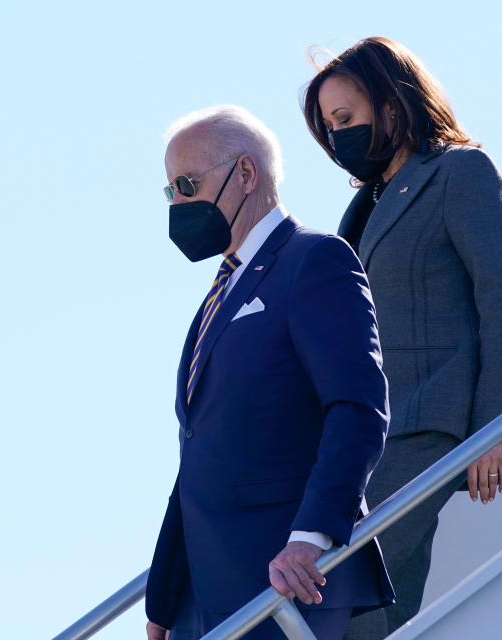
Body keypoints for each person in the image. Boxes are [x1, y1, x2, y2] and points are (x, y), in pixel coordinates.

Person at [302, 37, 502, 637]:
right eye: (329, 129)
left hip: (433, 423)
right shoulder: (367, 206)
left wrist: (494, 430)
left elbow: (501, 302)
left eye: (345, 119)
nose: (338, 139)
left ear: (390, 103)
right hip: (376, 430)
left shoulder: (459, 172)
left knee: (339, 582)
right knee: (379, 608)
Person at [144, 105, 395, 640]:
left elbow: (356, 409)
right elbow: (198, 449)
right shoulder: (221, 291)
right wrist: (163, 600)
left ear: (246, 173)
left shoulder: (315, 260)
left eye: (186, 184)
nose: (178, 205)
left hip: (285, 579)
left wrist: (312, 537)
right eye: (169, 192)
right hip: (203, 594)